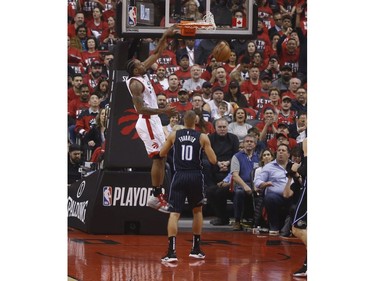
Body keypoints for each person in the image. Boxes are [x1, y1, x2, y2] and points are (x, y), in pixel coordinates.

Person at [125, 26, 178, 213]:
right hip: (147, 120)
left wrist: (166, 35)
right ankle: (155, 196)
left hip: (153, 121)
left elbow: (156, 53)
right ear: (134, 69)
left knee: (162, 158)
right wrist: (164, 111)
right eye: (140, 64)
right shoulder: (134, 83)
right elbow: (140, 108)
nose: (144, 65)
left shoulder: (140, 72)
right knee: (158, 157)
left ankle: (157, 196)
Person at [159, 110, 217, 263]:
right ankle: (196, 249)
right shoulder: (202, 137)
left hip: (179, 175)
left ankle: (171, 252)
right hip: (195, 176)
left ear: (182, 121)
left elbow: (162, 153)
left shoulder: (173, 135)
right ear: (195, 121)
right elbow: (213, 160)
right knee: (197, 211)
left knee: (174, 213)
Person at [205, 118, 239, 225]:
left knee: (221, 191)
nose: (222, 129)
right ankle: (221, 217)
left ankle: (224, 218)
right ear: (215, 128)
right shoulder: (209, 138)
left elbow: (236, 154)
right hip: (214, 169)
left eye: (224, 127)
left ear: (227, 127)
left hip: (230, 170)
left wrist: (228, 163)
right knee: (210, 191)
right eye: (220, 127)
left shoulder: (233, 138)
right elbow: (206, 154)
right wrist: (218, 163)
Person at [254, 143, 292, 235]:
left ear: (288, 154)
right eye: (279, 150)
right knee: (270, 198)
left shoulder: (294, 166)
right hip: (276, 197)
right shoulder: (269, 166)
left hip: (292, 196)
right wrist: (264, 184)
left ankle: (292, 228)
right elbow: (257, 181)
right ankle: (274, 226)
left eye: (283, 151)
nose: (281, 152)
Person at [230, 134, 259, 231]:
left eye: (251, 142)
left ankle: (258, 221)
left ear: (255, 144)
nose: (249, 143)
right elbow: (235, 175)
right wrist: (245, 186)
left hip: (256, 183)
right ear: (243, 143)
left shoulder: (259, 157)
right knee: (239, 192)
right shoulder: (236, 157)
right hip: (241, 184)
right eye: (247, 141)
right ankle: (237, 221)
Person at [290, 138, 307, 277]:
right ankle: (307, 265)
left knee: (297, 228)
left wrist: (297, 169)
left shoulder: (308, 141)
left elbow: (307, 169)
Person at [252, 148, 275, 229]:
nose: (266, 157)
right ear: (262, 158)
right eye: (264, 155)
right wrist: (265, 185)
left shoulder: (277, 169)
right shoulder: (259, 170)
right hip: (262, 193)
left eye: (268, 155)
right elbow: (255, 187)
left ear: (272, 157)